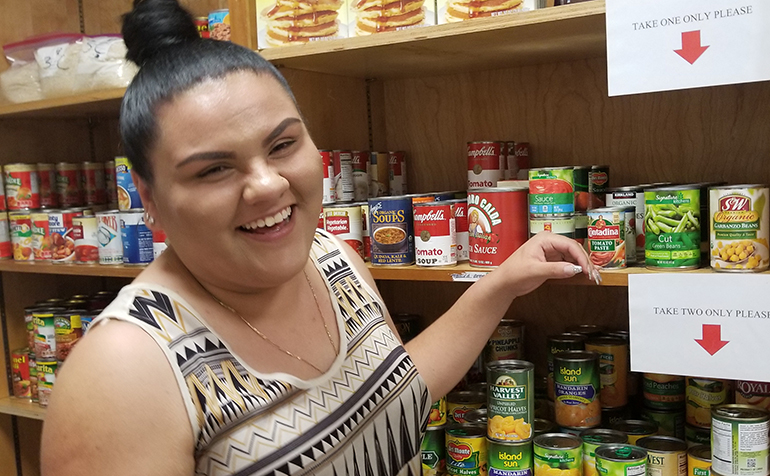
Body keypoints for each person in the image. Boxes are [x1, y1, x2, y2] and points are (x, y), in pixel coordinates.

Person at [40, 1, 599, 474]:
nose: (266, 185)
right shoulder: (123, 368)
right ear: (150, 196)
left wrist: (501, 283)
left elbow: (393, 398)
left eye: (282, 145)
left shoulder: (332, 257)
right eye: (213, 169)